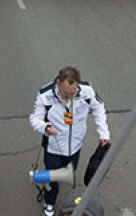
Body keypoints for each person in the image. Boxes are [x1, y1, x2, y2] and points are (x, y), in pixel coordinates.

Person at [30, 67, 110, 216]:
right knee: (52, 177)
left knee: (70, 171)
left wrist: (103, 132)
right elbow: (34, 118)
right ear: (58, 83)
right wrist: (45, 128)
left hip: (75, 146)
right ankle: (49, 203)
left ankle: (59, 180)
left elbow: (99, 108)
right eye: (65, 93)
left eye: (72, 93)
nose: (69, 96)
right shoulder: (45, 95)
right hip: (53, 147)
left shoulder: (87, 91)